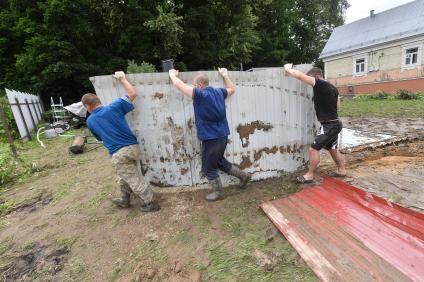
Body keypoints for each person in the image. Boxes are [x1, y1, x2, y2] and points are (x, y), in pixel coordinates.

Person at [81, 71, 160, 212]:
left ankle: (150, 203)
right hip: (133, 147)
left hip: (119, 153)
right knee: (125, 175)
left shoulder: (90, 121)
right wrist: (123, 79)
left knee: (133, 178)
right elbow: (132, 93)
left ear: (88, 106)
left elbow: (100, 138)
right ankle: (125, 199)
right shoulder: (115, 106)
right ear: (98, 101)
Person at [168, 68, 251, 201]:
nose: (195, 88)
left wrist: (172, 74)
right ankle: (243, 176)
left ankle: (218, 192)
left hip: (211, 137)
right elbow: (232, 89)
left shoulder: (201, 94)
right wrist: (225, 75)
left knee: (208, 167)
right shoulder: (219, 92)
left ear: (200, 85)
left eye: (195, 85)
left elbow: (179, 85)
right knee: (219, 161)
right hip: (222, 135)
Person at [284, 64, 347, 183]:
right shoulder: (333, 88)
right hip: (335, 123)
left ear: (317, 76)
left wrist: (287, 69)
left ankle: (309, 175)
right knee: (332, 148)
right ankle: (342, 170)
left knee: (313, 149)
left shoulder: (320, 83)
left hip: (330, 125)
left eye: (311, 78)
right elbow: (338, 107)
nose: (311, 83)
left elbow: (300, 76)